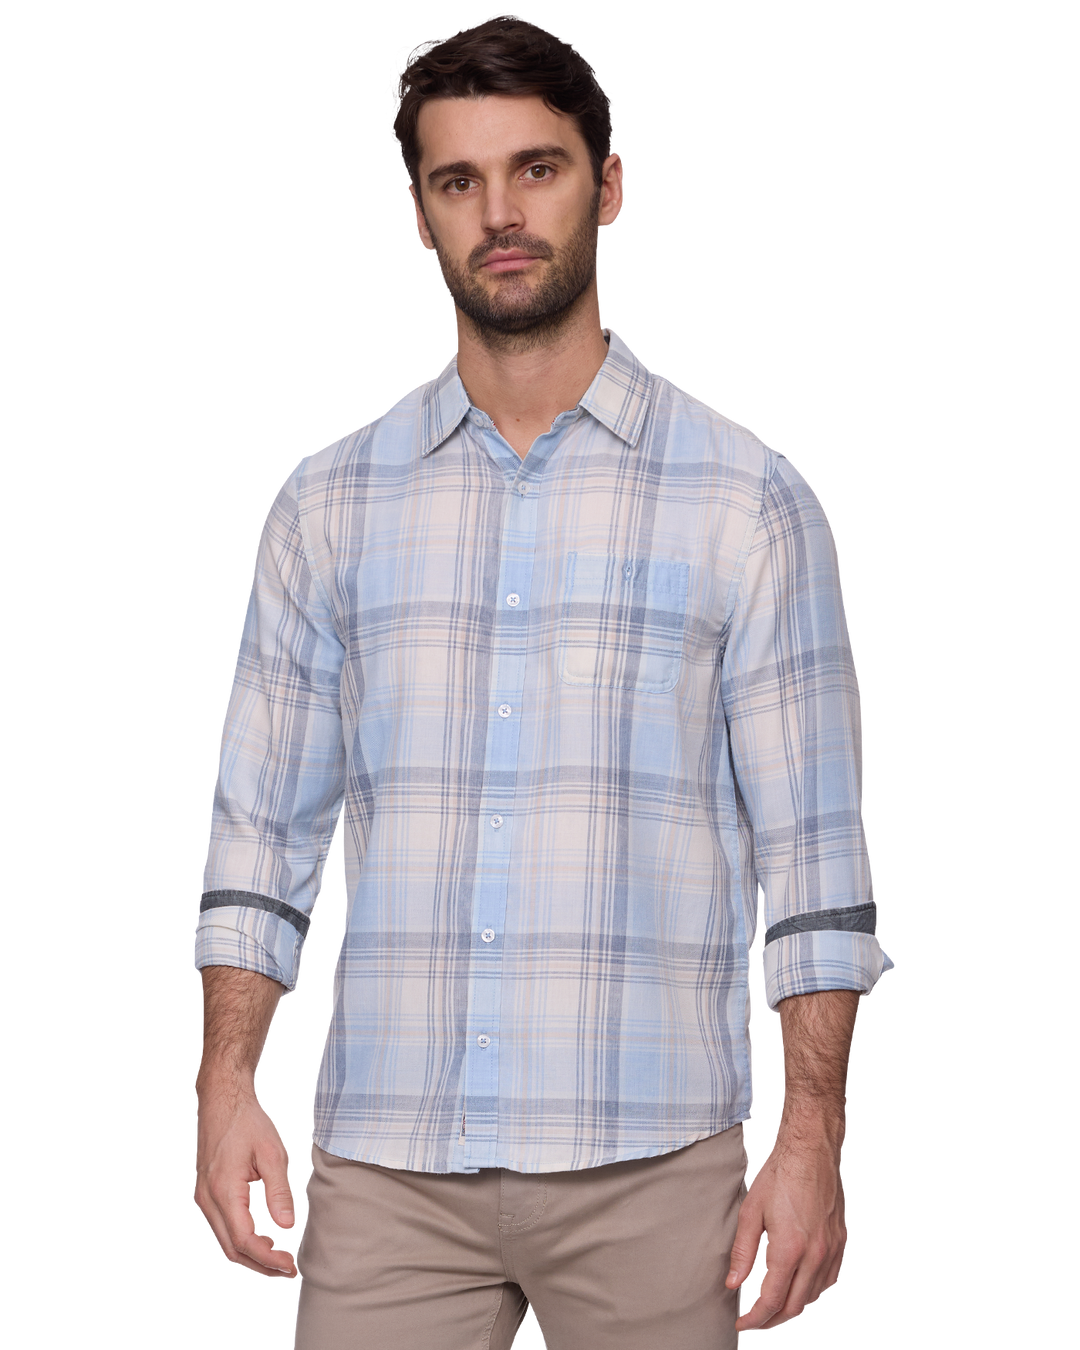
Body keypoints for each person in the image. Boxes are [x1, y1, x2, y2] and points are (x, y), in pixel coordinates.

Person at [191, 12, 896, 1349]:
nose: (500, 213)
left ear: (609, 185)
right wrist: (225, 1088)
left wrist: (813, 1137)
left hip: (658, 1164)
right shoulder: (327, 503)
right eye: (458, 180)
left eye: (538, 168)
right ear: (418, 216)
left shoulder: (749, 499)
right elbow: (260, 835)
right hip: (384, 1166)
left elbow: (813, 859)